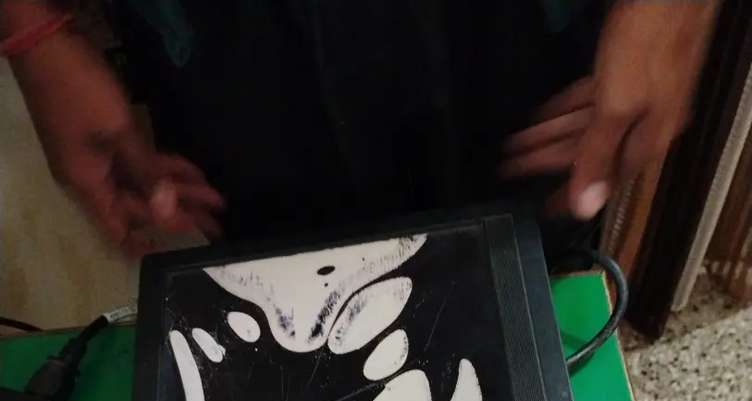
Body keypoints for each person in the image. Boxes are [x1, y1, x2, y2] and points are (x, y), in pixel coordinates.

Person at [1, 0, 718, 254]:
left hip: (500, 37)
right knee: (281, 291)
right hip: (233, 39)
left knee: (520, 270)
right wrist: (29, 25)